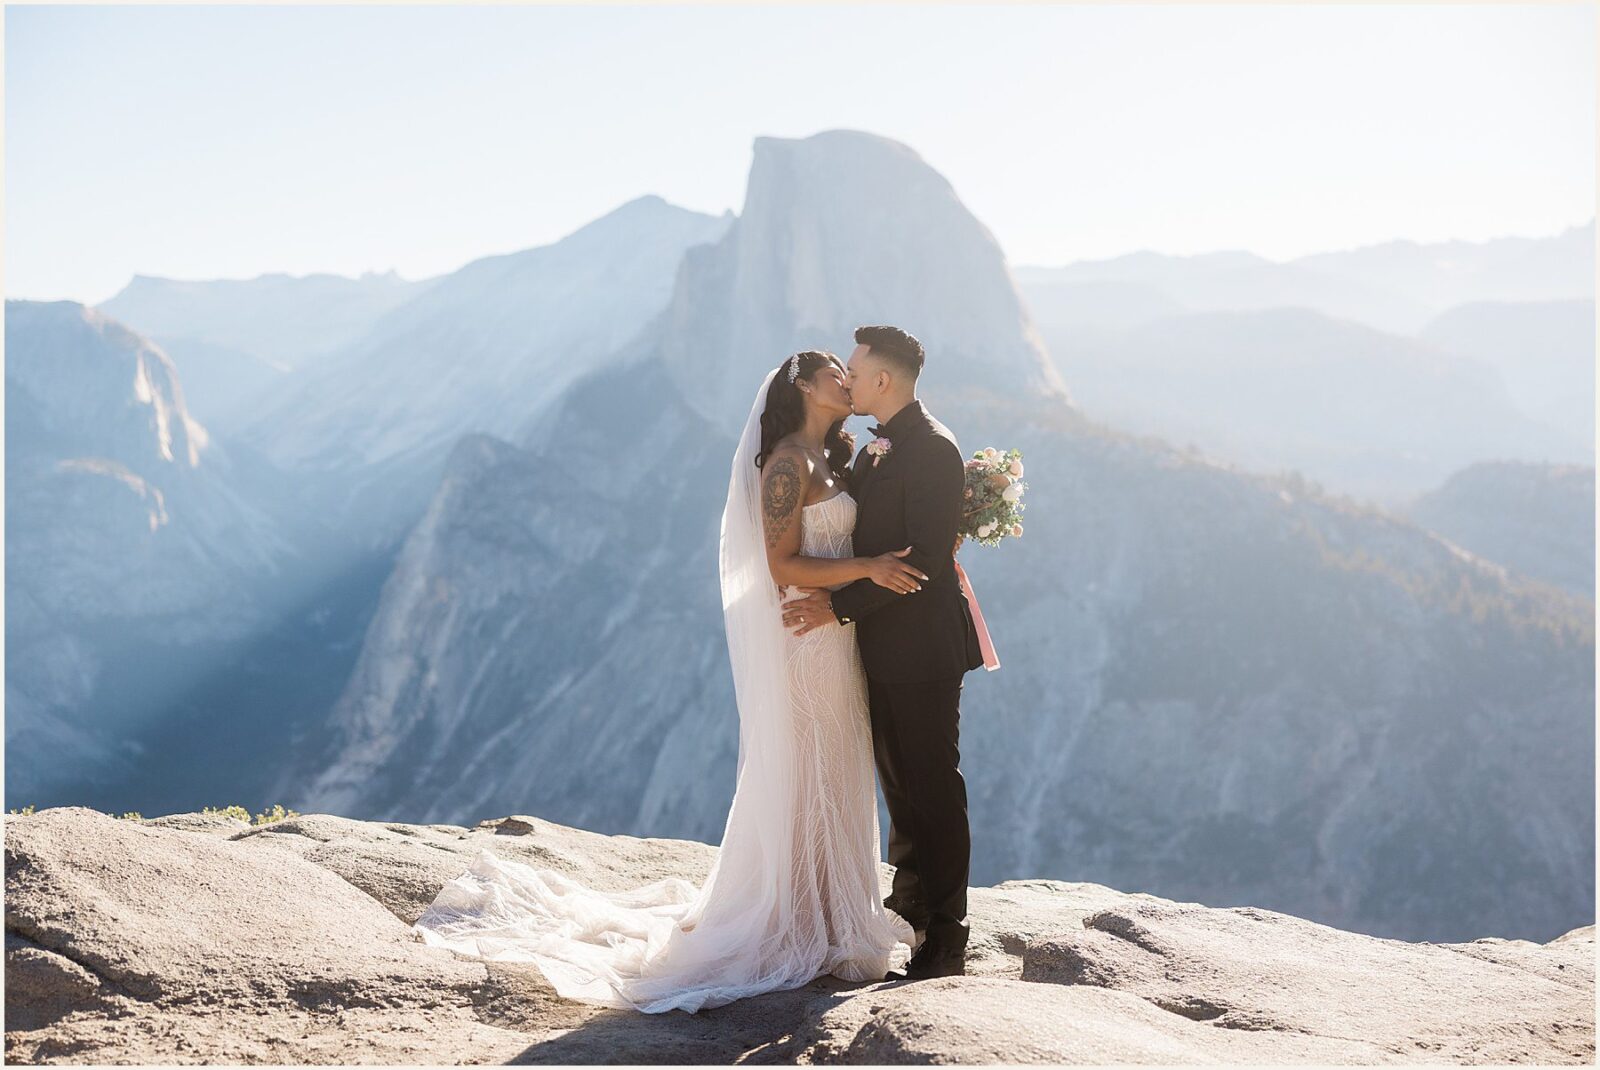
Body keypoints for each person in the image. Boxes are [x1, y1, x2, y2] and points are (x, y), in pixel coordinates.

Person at [411, 350, 925, 1013]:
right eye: (834, 368)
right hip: (806, 643)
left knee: (836, 767)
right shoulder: (789, 465)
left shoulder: (831, 456)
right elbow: (779, 566)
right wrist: (868, 569)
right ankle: (801, 923)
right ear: (802, 384)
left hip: (837, 640)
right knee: (811, 770)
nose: (845, 378)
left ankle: (829, 914)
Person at [781, 325, 985, 981]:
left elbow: (921, 562)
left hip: (924, 650)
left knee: (933, 788)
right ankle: (910, 910)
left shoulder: (934, 450)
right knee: (901, 786)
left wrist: (837, 607)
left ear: (883, 381)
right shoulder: (878, 450)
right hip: (880, 647)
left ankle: (947, 937)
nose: (848, 377)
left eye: (857, 368)